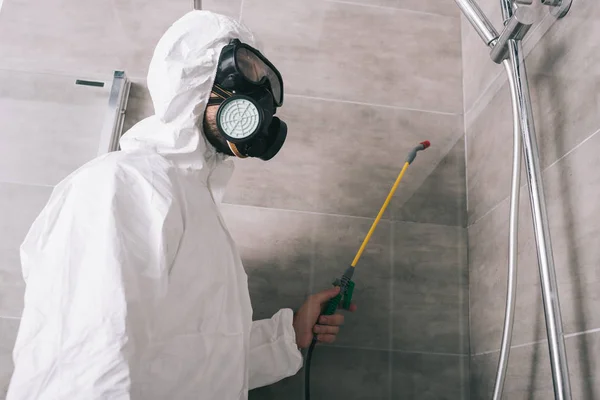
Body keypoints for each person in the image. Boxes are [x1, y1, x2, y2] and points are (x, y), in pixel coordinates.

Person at [6, 10, 355, 400]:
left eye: (263, 83)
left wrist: (286, 337)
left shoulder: (192, 201)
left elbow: (199, 359)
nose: (254, 97)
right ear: (192, 79)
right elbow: (84, 364)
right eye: (243, 72)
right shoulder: (123, 184)